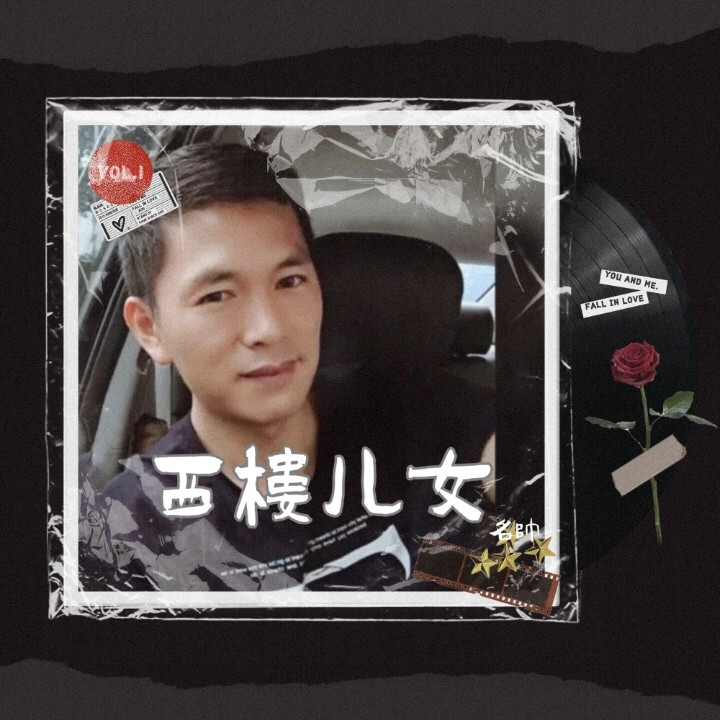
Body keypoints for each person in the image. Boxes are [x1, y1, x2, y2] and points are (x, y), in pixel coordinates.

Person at [80, 142, 495, 593]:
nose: (269, 328)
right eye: (216, 296)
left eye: (290, 281)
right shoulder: (124, 535)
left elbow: (534, 577)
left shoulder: (413, 413)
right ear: (150, 329)